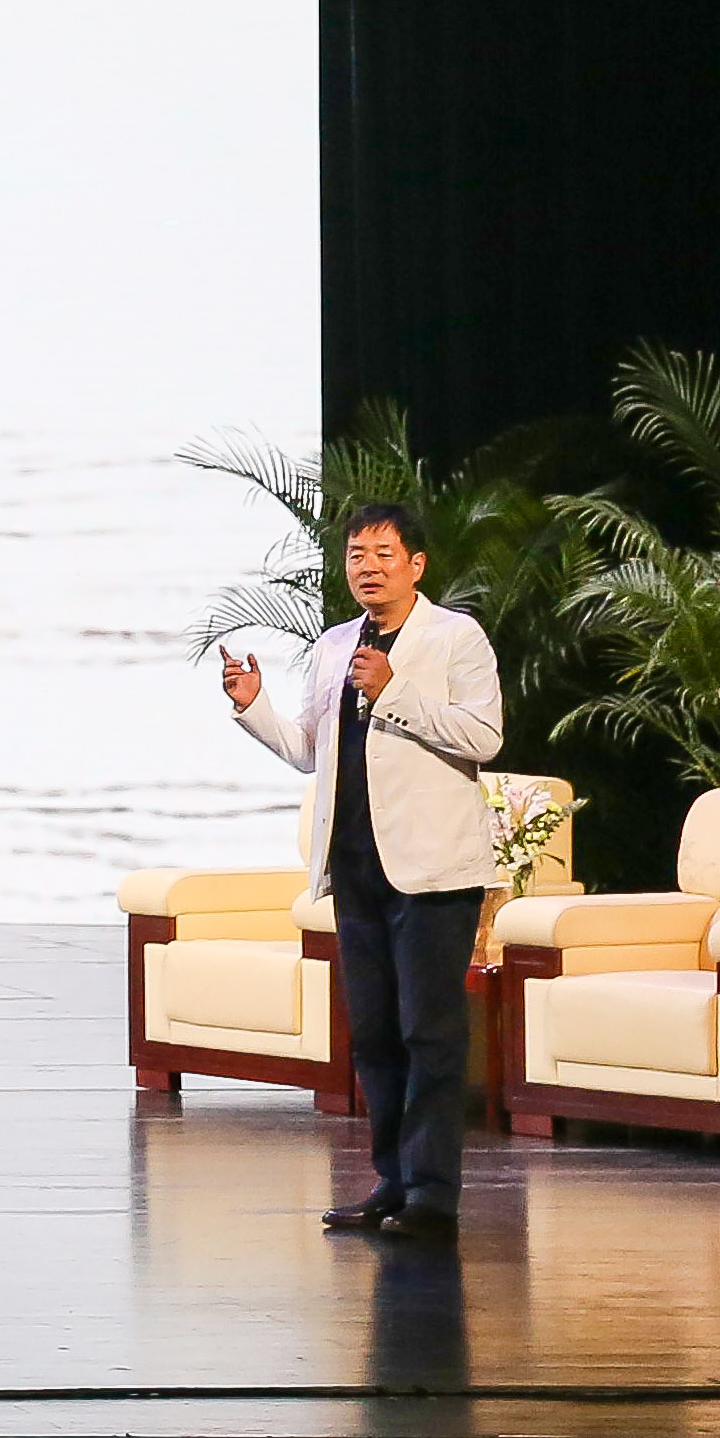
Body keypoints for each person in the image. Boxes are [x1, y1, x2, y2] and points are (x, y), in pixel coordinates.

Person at [220, 501, 504, 1243]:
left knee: (428, 1032)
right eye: (356, 555)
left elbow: (484, 736)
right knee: (373, 1033)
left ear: (416, 564)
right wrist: (255, 709)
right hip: (355, 865)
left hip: (431, 870)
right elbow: (309, 751)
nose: (368, 568)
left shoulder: (455, 637)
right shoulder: (334, 644)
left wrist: (392, 691)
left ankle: (432, 1195)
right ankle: (391, 1181)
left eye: (383, 554)